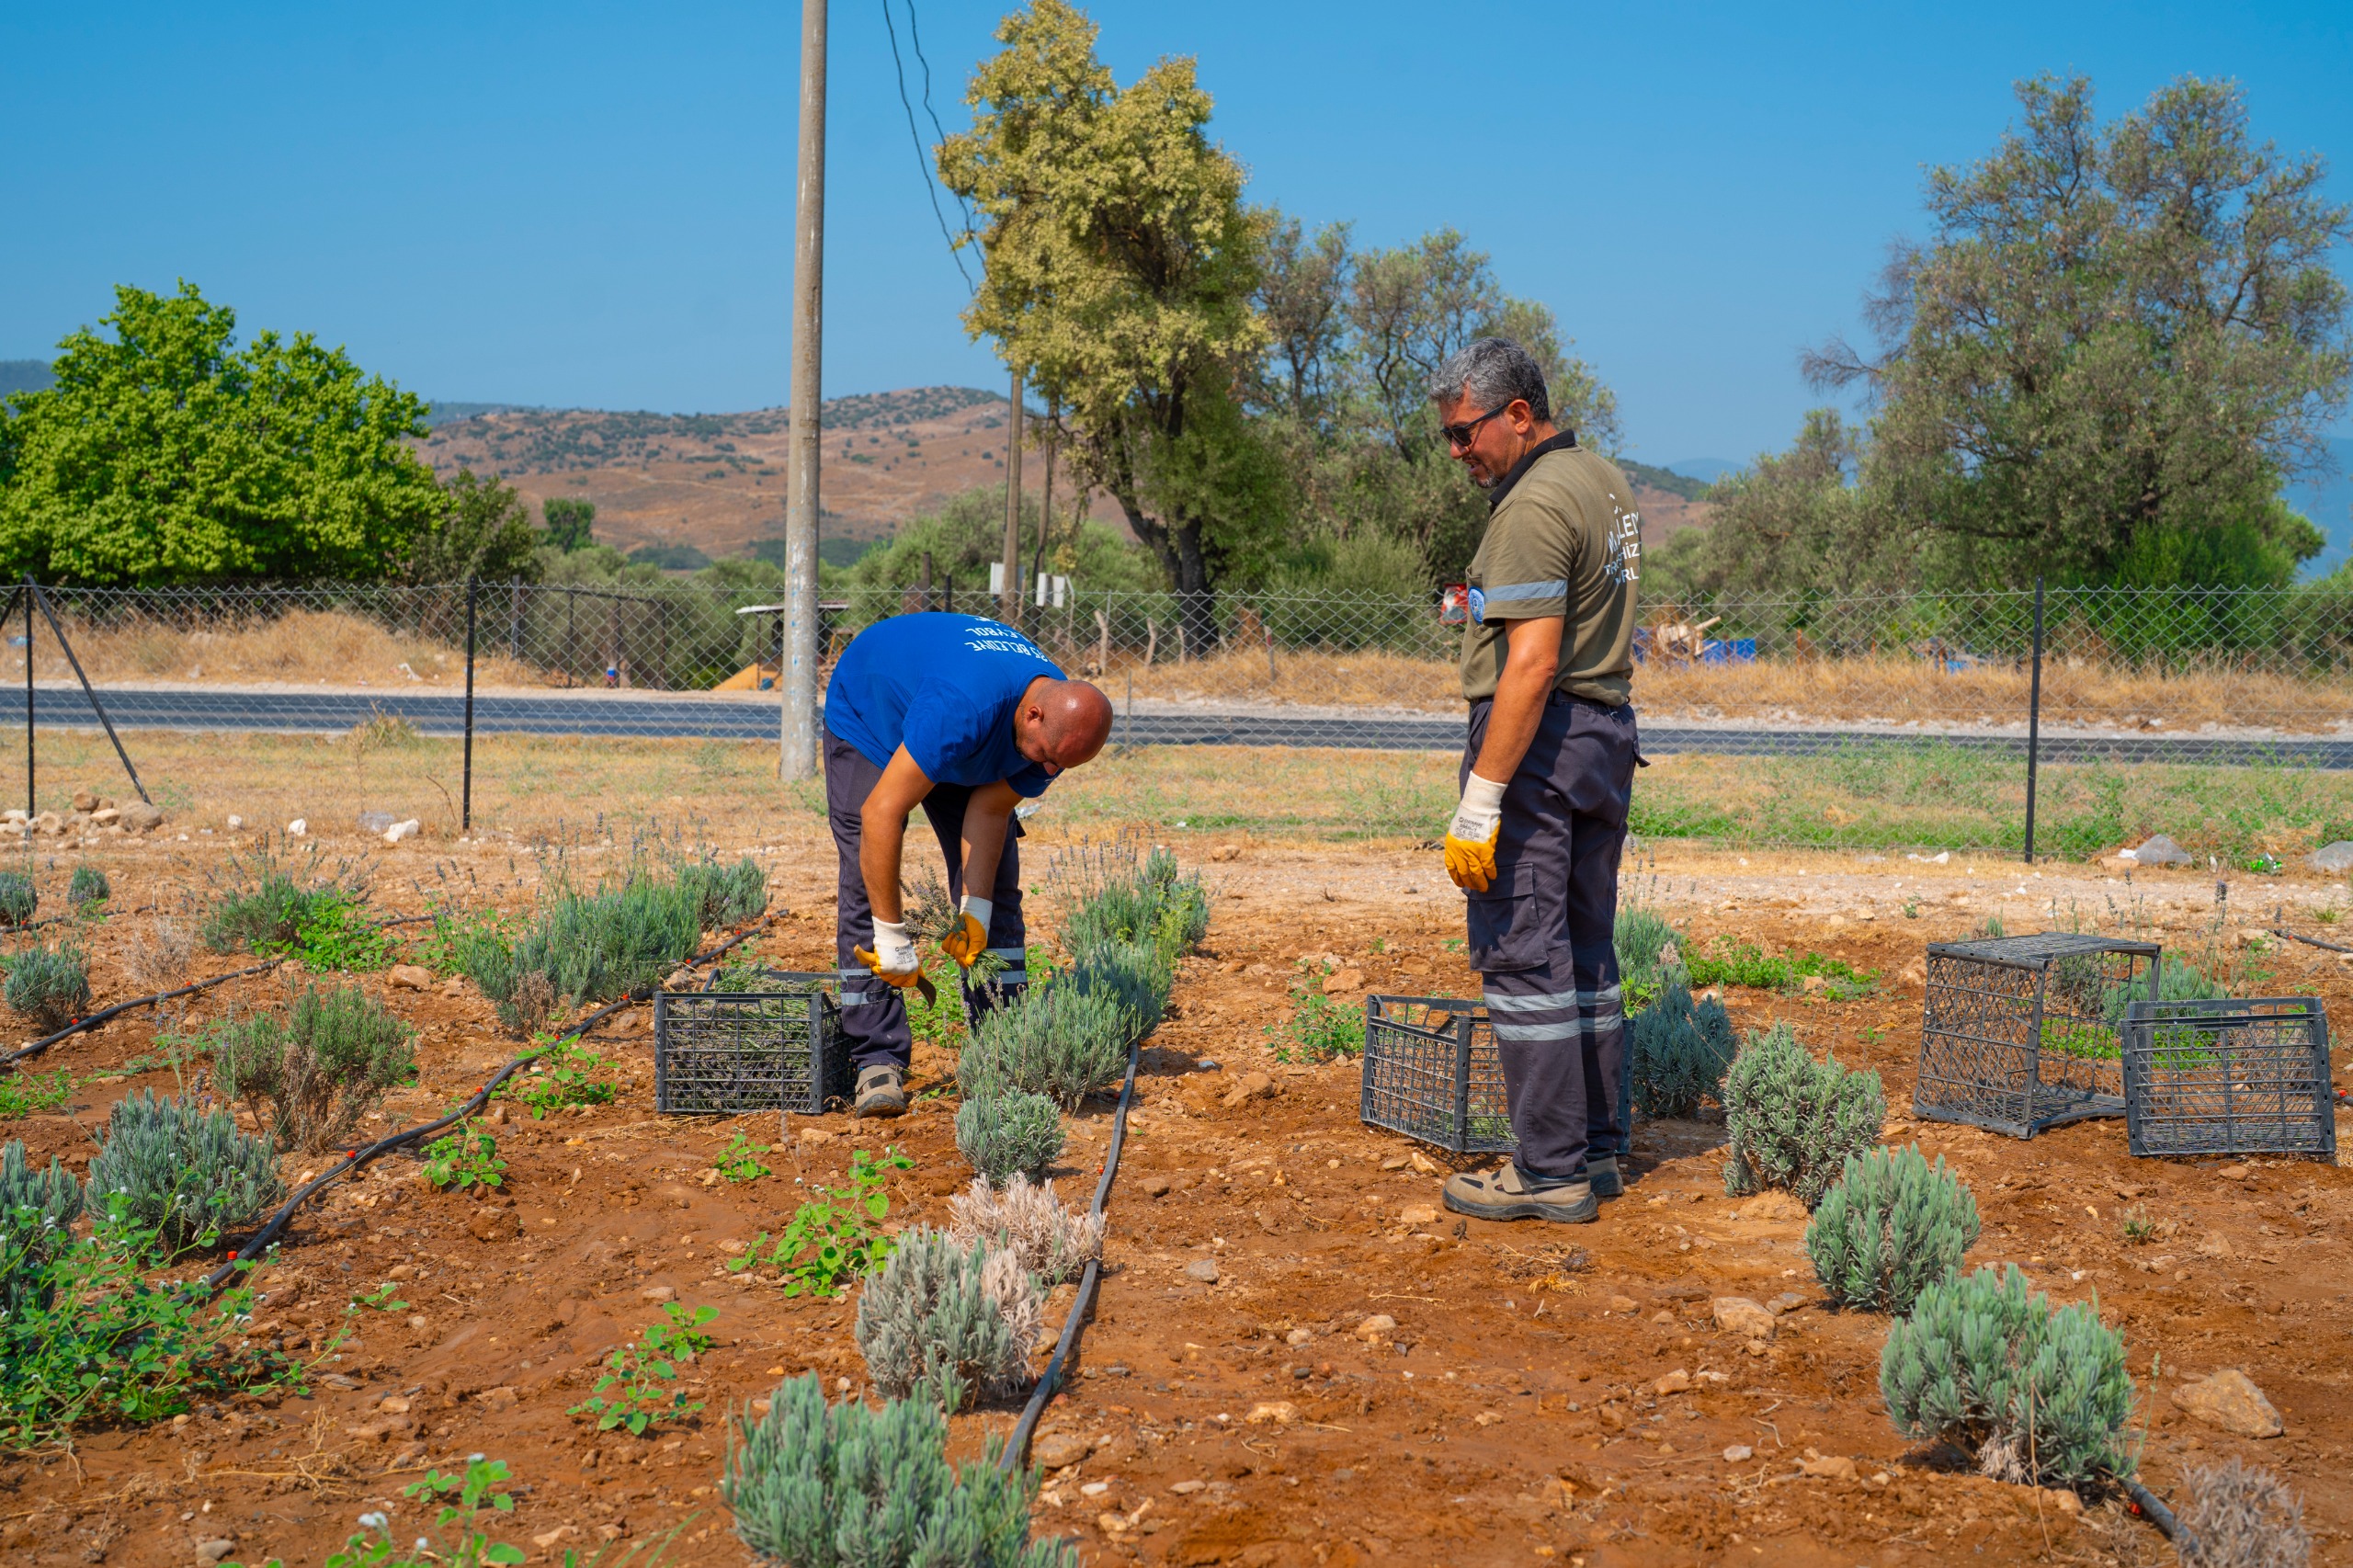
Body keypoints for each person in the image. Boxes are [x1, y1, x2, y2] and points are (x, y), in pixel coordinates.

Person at [1431, 336, 1643, 1224]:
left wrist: (1482, 800)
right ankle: (1595, 1150)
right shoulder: (1605, 481)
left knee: (1523, 956)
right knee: (1586, 952)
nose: (1458, 453)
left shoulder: (1530, 505)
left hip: (1541, 744)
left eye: (1465, 432)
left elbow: (1531, 663)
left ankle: (1546, 1169)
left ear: (1518, 415)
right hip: (1604, 737)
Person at [823, 611, 1115, 1117]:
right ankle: (876, 1058)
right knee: (865, 885)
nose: (1048, 771)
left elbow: (990, 808)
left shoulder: (1059, 735)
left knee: (997, 890)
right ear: (1033, 716)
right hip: (875, 711)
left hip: (965, 733)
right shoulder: (960, 709)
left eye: (1060, 766)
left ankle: (1002, 1047)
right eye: (1046, 758)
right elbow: (881, 812)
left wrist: (973, 911)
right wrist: (893, 937)